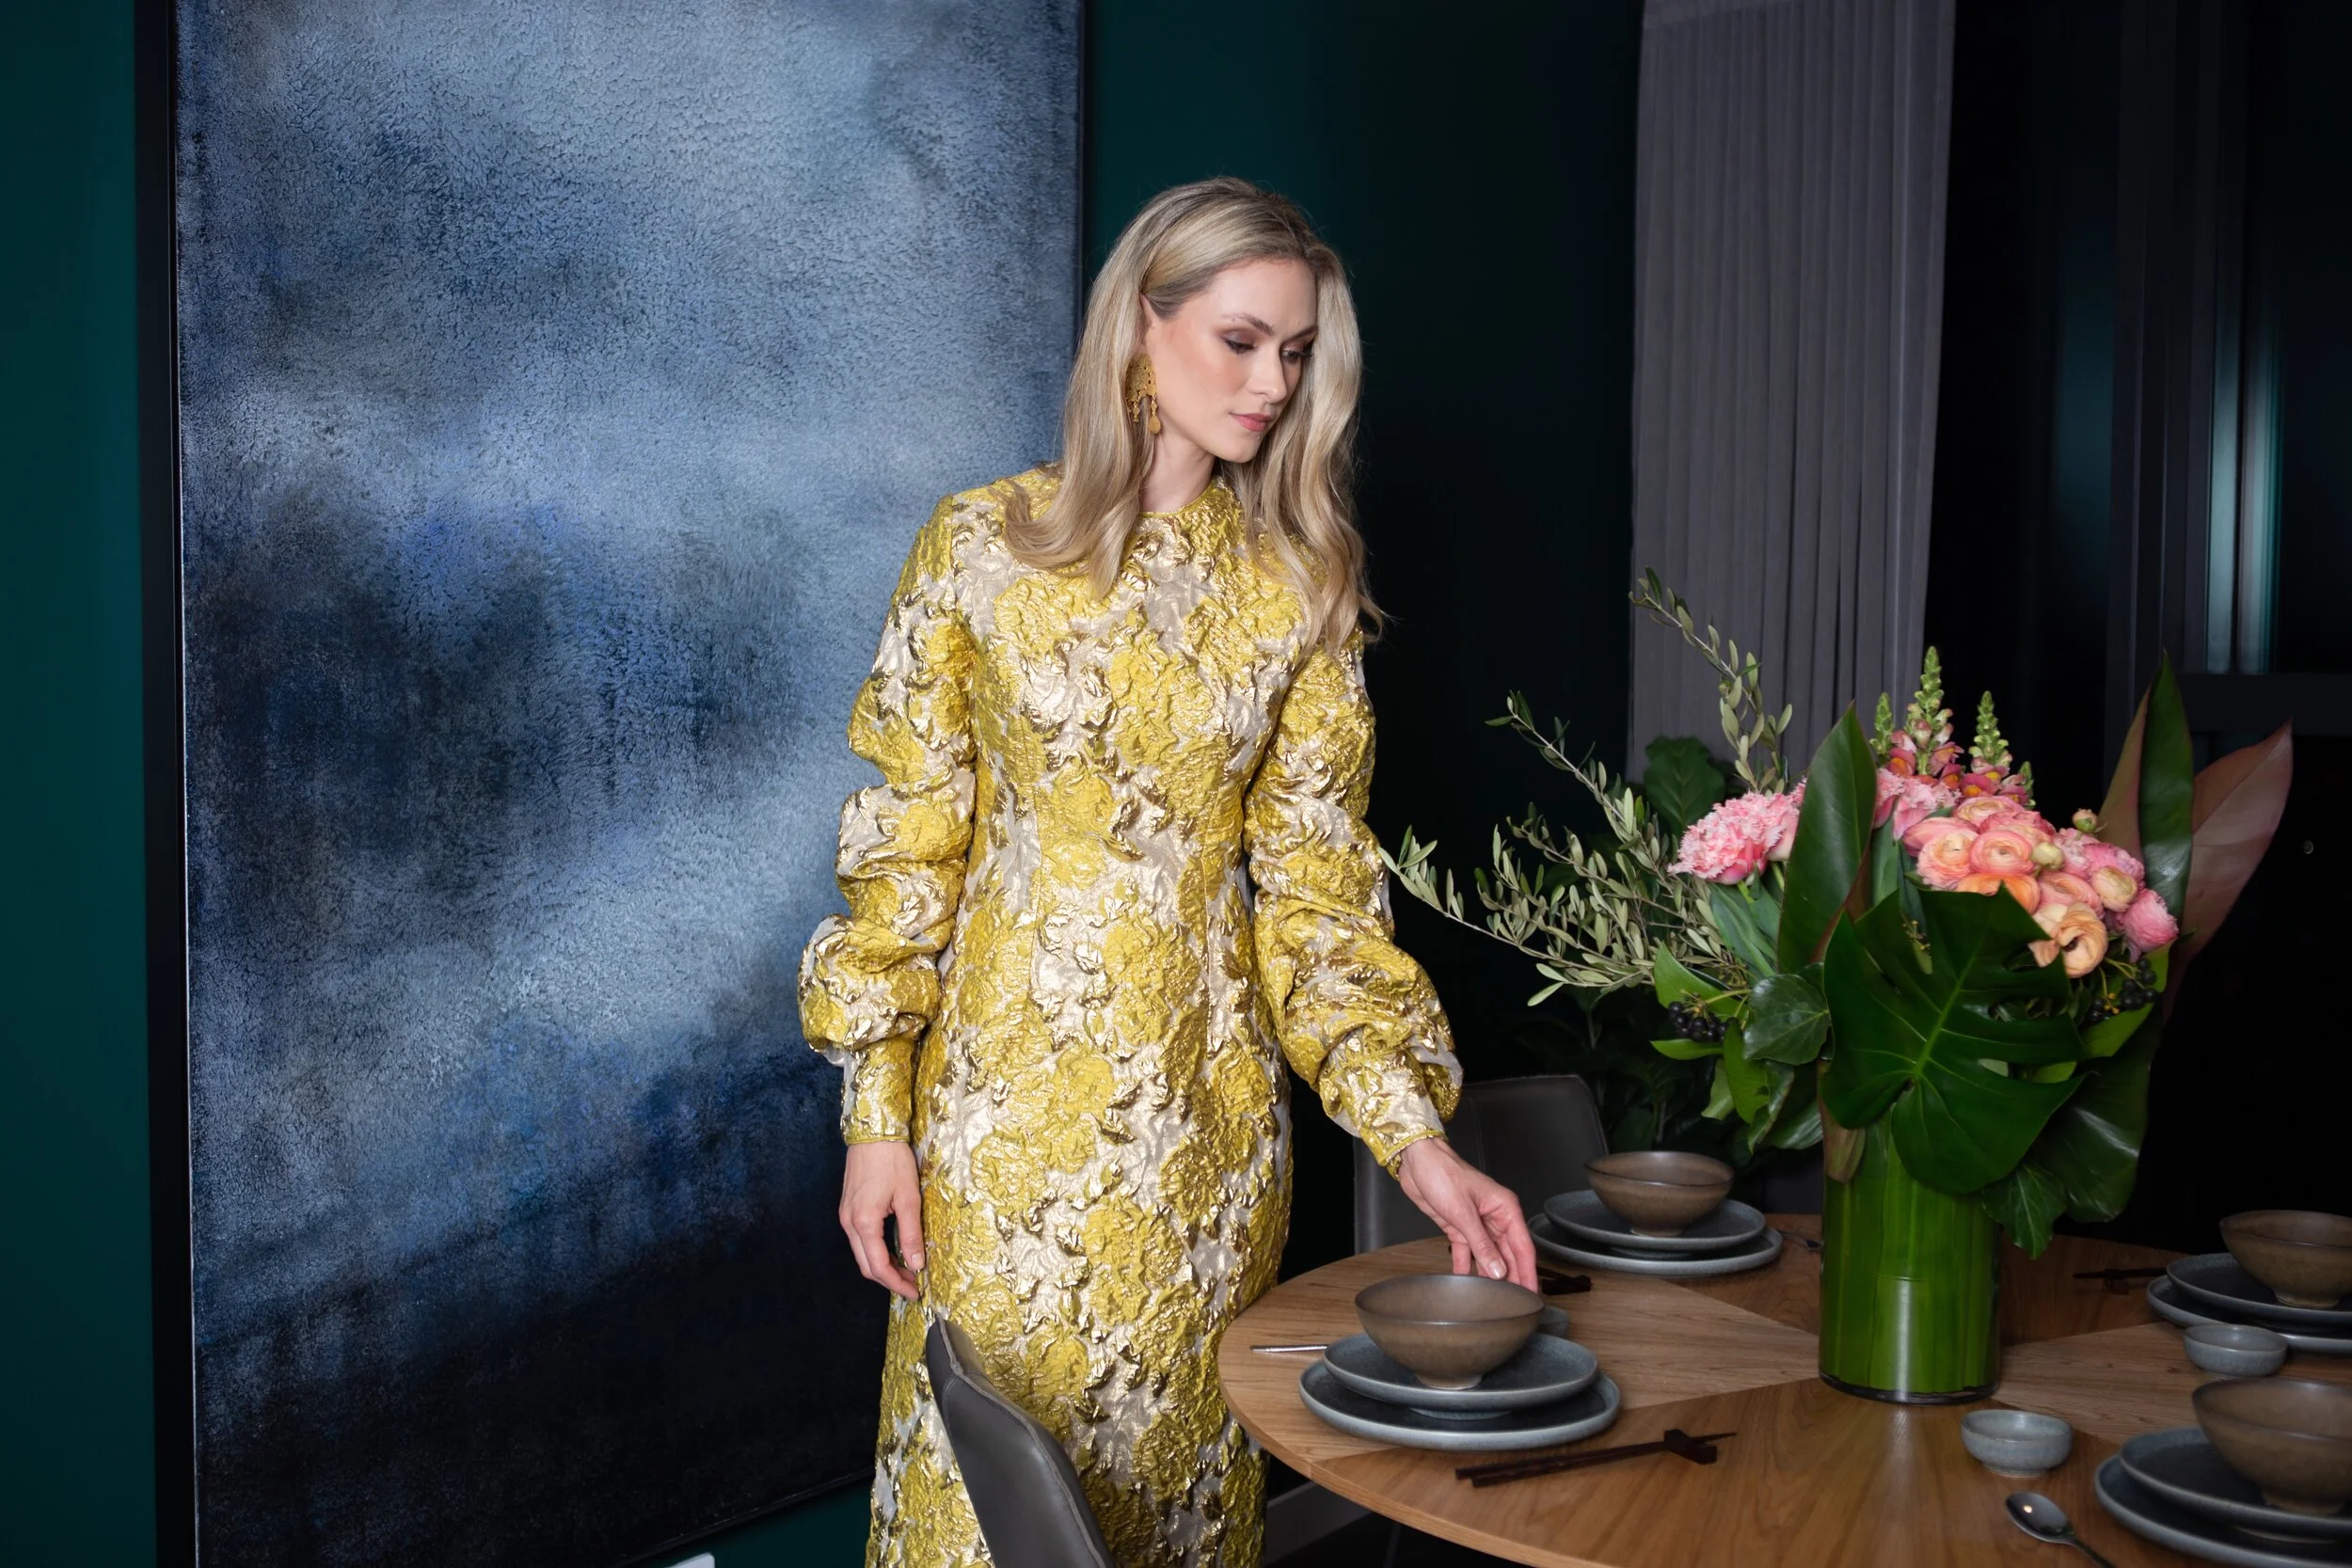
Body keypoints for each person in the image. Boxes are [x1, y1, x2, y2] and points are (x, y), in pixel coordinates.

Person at [799, 177, 1537, 1568]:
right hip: (997, 1142)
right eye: (1241, 341)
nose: (1272, 385)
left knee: (1174, 1522)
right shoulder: (980, 550)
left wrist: (1418, 1144)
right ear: (1142, 324)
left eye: (1298, 354)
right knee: (986, 1515)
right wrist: (873, 1110)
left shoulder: (1302, 588)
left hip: (1207, 1147)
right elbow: (909, 848)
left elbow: (1318, 902)